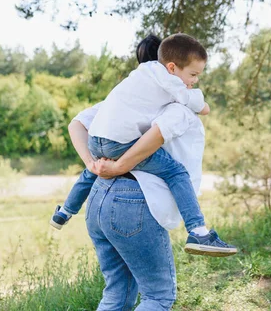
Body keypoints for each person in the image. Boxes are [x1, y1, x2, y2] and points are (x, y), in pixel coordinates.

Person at [52, 33, 236, 256]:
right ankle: (197, 229)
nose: (194, 81)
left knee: (91, 172)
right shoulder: (173, 95)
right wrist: (120, 166)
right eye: (193, 75)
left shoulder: (129, 87)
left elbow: (77, 123)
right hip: (138, 196)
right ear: (171, 67)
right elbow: (194, 110)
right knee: (177, 172)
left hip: (97, 150)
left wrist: (92, 162)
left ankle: (64, 212)